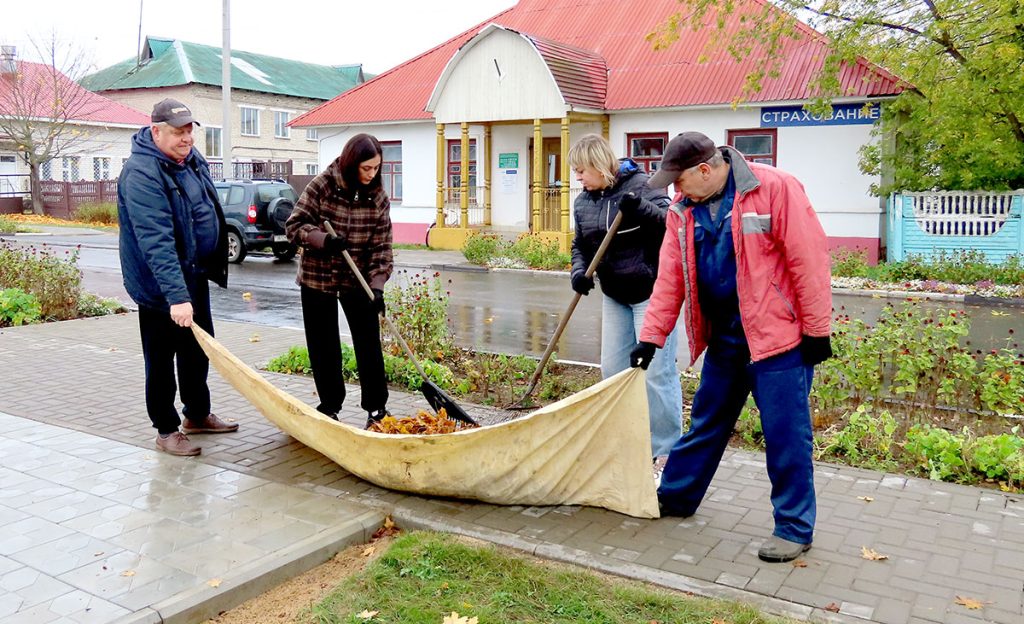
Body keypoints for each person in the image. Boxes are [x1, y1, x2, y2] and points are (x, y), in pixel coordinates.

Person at [631, 131, 833, 563]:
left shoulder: (774, 188)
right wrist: (651, 337)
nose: (674, 190)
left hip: (778, 341)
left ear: (705, 170)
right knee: (706, 423)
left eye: (679, 180)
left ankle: (794, 528)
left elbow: (809, 258)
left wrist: (817, 330)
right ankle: (676, 497)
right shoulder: (683, 212)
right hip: (725, 338)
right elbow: (669, 280)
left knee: (785, 436)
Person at [117, 98, 237, 457]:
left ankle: (197, 415)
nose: (186, 139)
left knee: (196, 351)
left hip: (192, 274)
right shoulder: (142, 173)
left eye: (189, 131)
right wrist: (176, 297)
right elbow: (156, 241)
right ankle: (166, 429)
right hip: (159, 287)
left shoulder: (189, 161)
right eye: (177, 132)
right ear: (156, 131)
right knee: (161, 359)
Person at [568, 134, 683, 471]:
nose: (578, 178)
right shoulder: (583, 202)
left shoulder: (644, 186)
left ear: (599, 165)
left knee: (655, 374)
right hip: (615, 295)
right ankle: (622, 442)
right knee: (613, 371)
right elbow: (580, 244)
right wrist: (579, 271)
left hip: (651, 294)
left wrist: (641, 208)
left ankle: (665, 452)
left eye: (581, 170)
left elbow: (670, 225)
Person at [286, 134, 393, 429]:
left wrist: (377, 286)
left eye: (376, 168)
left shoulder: (378, 198)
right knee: (324, 346)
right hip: (317, 279)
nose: (371, 175)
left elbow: (381, 247)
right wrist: (323, 240)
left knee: (369, 343)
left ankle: (376, 409)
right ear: (351, 163)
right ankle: (330, 407)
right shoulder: (323, 185)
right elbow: (293, 226)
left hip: (357, 279)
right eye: (366, 168)